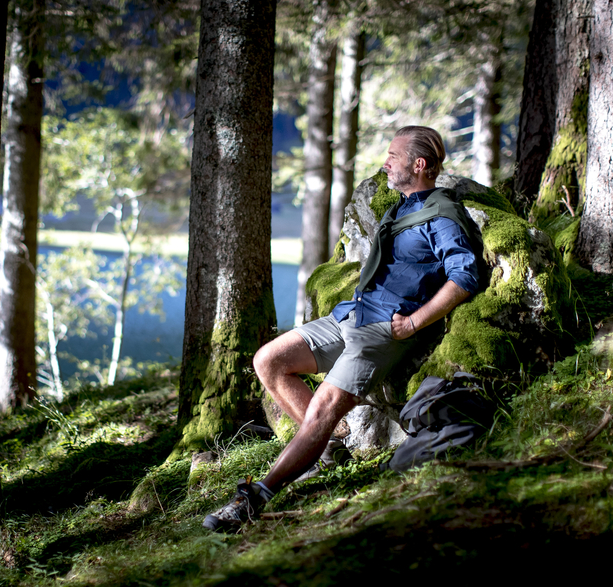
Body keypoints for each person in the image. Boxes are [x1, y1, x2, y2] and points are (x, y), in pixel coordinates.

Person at [202, 125, 482, 532]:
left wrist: (416, 322)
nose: (385, 164)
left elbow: (466, 275)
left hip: (382, 331)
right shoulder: (402, 206)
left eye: (393, 156)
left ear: (418, 165)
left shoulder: (442, 215)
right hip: (351, 314)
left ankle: (255, 496)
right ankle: (326, 445)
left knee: (322, 409)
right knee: (269, 360)